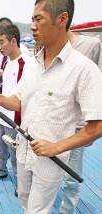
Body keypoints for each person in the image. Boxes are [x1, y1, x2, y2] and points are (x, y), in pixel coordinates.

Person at [0, 0, 102, 213]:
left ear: (62, 19)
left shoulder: (84, 69)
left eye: (39, 19)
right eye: (32, 20)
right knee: (25, 202)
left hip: (50, 162)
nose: (32, 26)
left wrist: (56, 147)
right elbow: (19, 100)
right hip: (23, 154)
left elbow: (98, 126)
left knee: (37, 210)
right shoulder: (32, 65)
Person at [58, 30, 102, 214]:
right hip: (54, 121)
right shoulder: (47, 47)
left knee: (72, 175)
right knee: (50, 169)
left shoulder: (92, 45)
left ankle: (67, 211)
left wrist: (91, 127)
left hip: (77, 125)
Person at [0, 24, 30, 185]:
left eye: (1, 42)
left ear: (13, 41)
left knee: (16, 152)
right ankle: (0, 170)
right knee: (1, 147)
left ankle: (21, 183)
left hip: (15, 118)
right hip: (2, 113)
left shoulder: (26, 64)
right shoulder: (6, 62)